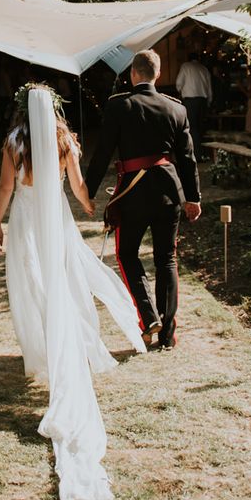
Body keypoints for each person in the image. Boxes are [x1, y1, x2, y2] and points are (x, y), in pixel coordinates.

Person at [0, 85, 146, 500]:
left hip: (25, 218)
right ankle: (63, 342)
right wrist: (88, 205)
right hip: (55, 217)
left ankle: (43, 348)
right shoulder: (64, 139)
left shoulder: (14, 142)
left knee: (32, 282)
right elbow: (77, 184)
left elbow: (6, 187)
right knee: (63, 278)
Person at [85, 49, 201, 350]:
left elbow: (102, 154)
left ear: (133, 74)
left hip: (133, 194)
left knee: (127, 254)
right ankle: (167, 334)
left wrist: (88, 190)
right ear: (158, 74)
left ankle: (149, 317)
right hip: (169, 193)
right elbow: (187, 159)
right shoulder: (176, 109)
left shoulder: (118, 106)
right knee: (166, 259)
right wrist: (194, 198)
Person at [175, 52, 212, 155]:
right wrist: (209, 102)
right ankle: (203, 153)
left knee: (192, 127)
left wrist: (180, 91)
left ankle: (197, 154)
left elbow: (179, 83)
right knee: (200, 126)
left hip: (190, 100)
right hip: (203, 100)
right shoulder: (204, 68)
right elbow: (209, 88)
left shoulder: (186, 66)